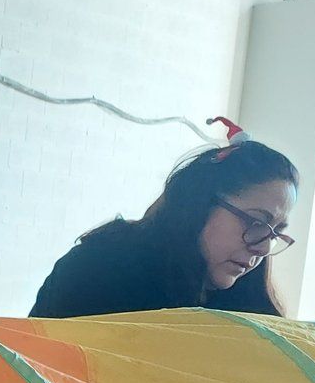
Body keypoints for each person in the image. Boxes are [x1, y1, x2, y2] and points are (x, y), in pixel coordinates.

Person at [31, 132, 299, 318]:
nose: (263, 247)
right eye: (256, 222)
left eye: (276, 232)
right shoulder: (101, 268)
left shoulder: (248, 303)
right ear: (200, 203)